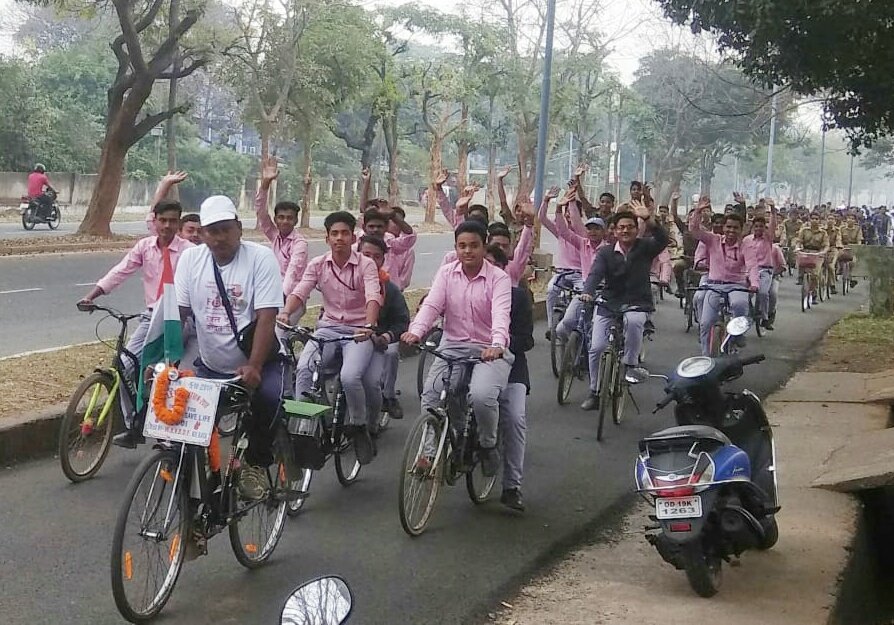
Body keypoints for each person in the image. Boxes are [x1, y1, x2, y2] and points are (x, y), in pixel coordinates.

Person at [172, 196, 284, 500]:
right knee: (183, 421)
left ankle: (256, 464)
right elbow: (178, 314)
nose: (219, 237)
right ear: (202, 233)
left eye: (225, 229)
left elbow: (267, 316)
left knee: (269, 400)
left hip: (257, 362)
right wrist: (165, 360)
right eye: (212, 231)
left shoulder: (260, 258)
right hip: (210, 366)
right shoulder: (190, 260)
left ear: (239, 229)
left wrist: (255, 366)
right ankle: (201, 492)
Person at [78, 184, 195, 448]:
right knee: (124, 366)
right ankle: (134, 426)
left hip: (181, 320)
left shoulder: (190, 252)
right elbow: (121, 271)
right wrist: (92, 296)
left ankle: (173, 435)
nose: (167, 226)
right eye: (162, 220)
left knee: (170, 373)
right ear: (155, 221)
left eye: (172, 221)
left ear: (178, 224)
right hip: (151, 318)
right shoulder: (145, 247)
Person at [402, 220, 514, 477]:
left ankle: (487, 444)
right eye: (462, 246)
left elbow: (501, 314)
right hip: (452, 346)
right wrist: (416, 330)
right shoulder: (447, 273)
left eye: (474, 245)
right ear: (456, 248)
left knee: (481, 396)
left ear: (484, 246)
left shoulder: (499, 278)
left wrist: (497, 344)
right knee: (432, 394)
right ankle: (428, 454)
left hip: (488, 351)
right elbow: (432, 305)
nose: (467, 251)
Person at [279, 211, 382, 465]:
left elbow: (373, 295)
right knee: (304, 368)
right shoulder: (318, 264)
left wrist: (369, 325)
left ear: (353, 238)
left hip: (358, 332)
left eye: (344, 233)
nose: (339, 238)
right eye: (334, 234)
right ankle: (304, 424)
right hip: (328, 329)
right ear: (327, 239)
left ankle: (358, 426)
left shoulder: (366, 265)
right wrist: (285, 312)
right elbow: (300, 291)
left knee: (350, 376)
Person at [579, 203, 669, 410]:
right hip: (609, 303)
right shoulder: (605, 253)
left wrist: (649, 220)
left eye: (630, 227)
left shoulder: (645, 247)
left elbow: (663, 240)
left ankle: (629, 365)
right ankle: (595, 391)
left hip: (637, 302)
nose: (625, 230)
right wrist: (588, 291)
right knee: (596, 347)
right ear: (614, 231)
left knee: (635, 322)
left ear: (637, 230)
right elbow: (595, 274)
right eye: (621, 227)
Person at [484, 244, 533, 512]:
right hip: (474, 362)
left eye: (494, 265)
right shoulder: (465, 290)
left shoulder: (518, 298)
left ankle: (512, 485)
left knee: (514, 418)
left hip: (512, 369)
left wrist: (500, 344)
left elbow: (526, 340)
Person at [357, 235, 410, 434]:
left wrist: (386, 336)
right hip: (352, 336)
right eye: (366, 255)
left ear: (383, 260)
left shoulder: (390, 289)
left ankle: (387, 397)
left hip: (381, 339)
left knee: (390, 354)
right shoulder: (347, 281)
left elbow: (402, 321)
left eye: (376, 257)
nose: (370, 261)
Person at [689, 196, 750, 356]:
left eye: (735, 228)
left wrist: (755, 283)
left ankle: (738, 334)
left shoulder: (745, 245)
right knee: (705, 322)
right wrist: (698, 211)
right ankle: (705, 356)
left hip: (737, 285)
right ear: (723, 228)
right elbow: (694, 230)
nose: (731, 231)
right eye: (728, 227)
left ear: (741, 230)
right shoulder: (712, 240)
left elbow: (753, 266)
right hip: (713, 284)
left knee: (739, 304)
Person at [256, 156, 308, 295]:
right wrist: (265, 184)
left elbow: (292, 272)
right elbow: (261, 212)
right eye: (281, 217)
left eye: (289, 218)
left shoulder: (299, 244)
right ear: (275, 220)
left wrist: (282, 297)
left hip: (292, 296)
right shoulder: (274, 235)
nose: (285, 221)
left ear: (296, 221)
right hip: (273, 291)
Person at [538, 185, 582, 336]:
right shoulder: (561, 231)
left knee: (583, 297)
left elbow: (577, 222)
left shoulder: (584, 234)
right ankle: (551, 327)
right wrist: (546, 200)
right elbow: (542, 218)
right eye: (566, 212)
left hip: (580, 274)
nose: (569, 215)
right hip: (562, 273)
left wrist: (572, 199)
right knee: (551, 290)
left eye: (572, 212)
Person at [742, 202, 778, 330]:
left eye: (761, 226)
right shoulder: (746, 240)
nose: (758, 229)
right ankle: (747, 312)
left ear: (764, 227)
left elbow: (773, 225)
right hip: (748, 270)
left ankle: (765, 317)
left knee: (763, 293)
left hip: (764, 270)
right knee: (742, 293)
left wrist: (772, 210)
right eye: (756, 226)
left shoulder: (768, 238)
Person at [795, 212, 830, 301]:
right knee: (800, 263)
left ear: (819, 220)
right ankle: (801, 278)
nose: (814, 220)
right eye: (812, 218)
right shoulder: (804, 230)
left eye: (816, 219)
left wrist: (823, 252)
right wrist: (797, 248)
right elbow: (799, 241)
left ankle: (814, 293)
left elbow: (826, 245)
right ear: (809, 220)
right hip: (806, 251)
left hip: (818, 253)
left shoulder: (823, 232)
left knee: (815, 274)